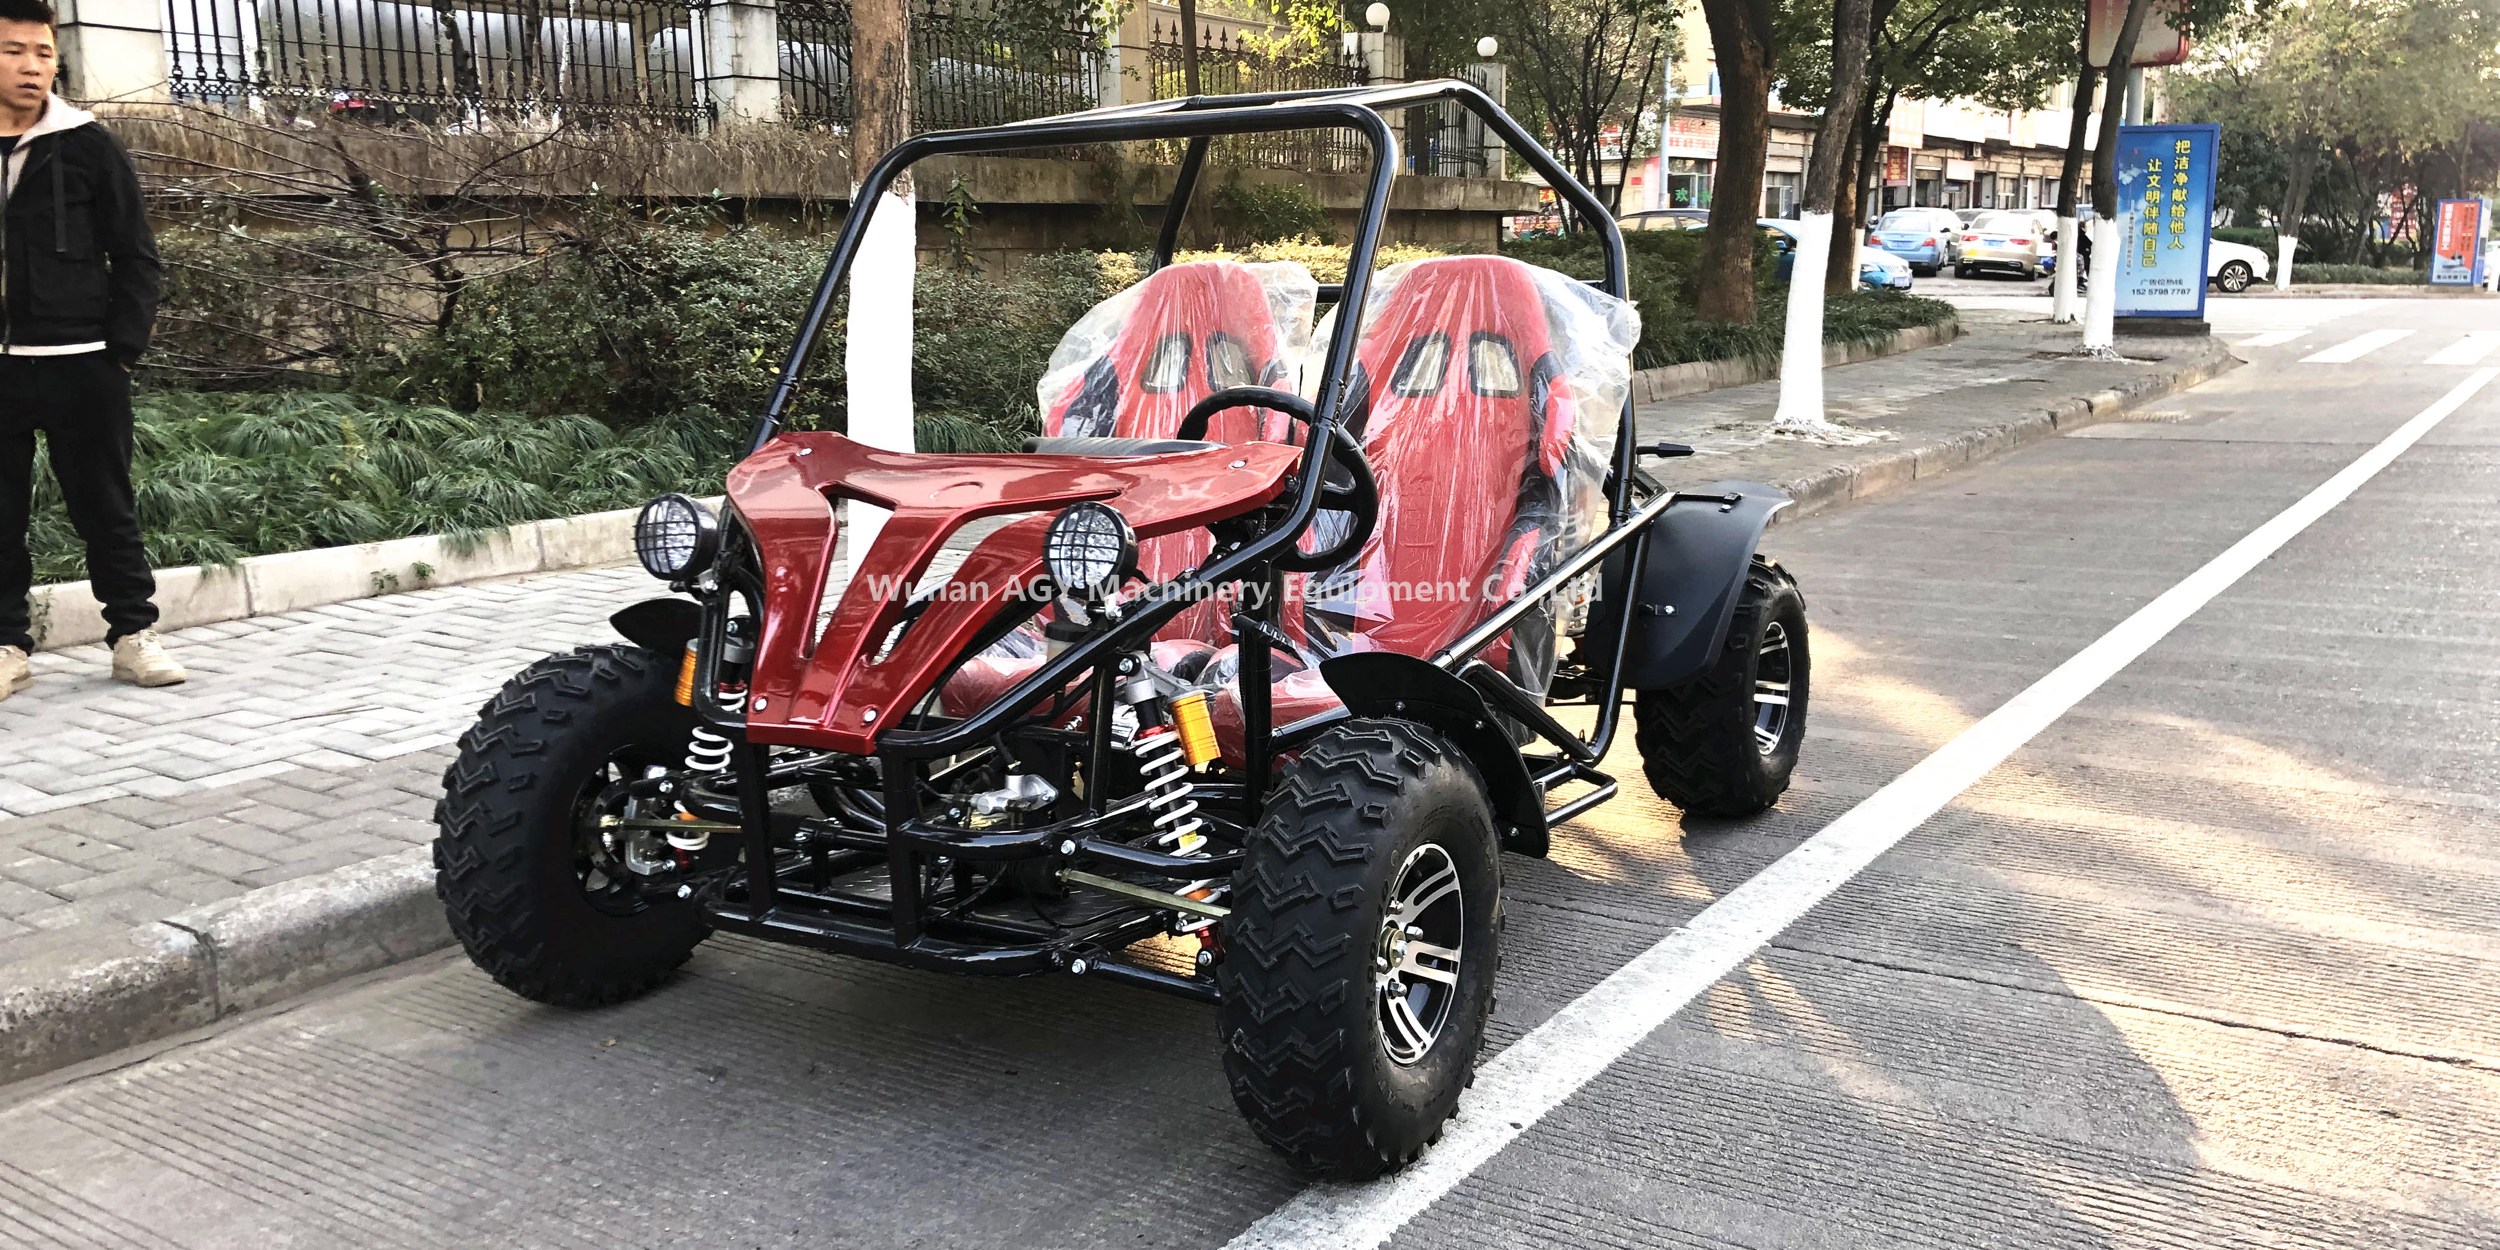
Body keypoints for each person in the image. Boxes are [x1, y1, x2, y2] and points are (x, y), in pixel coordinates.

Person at [0, 0, 181, 701]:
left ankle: (134, 635)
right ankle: (9, 645)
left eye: (44, 53)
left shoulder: (88, 144)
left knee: (106, 506)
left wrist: (122, 354)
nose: (32, 66)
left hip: (84, 362)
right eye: (16, 50)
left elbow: (136, 255)